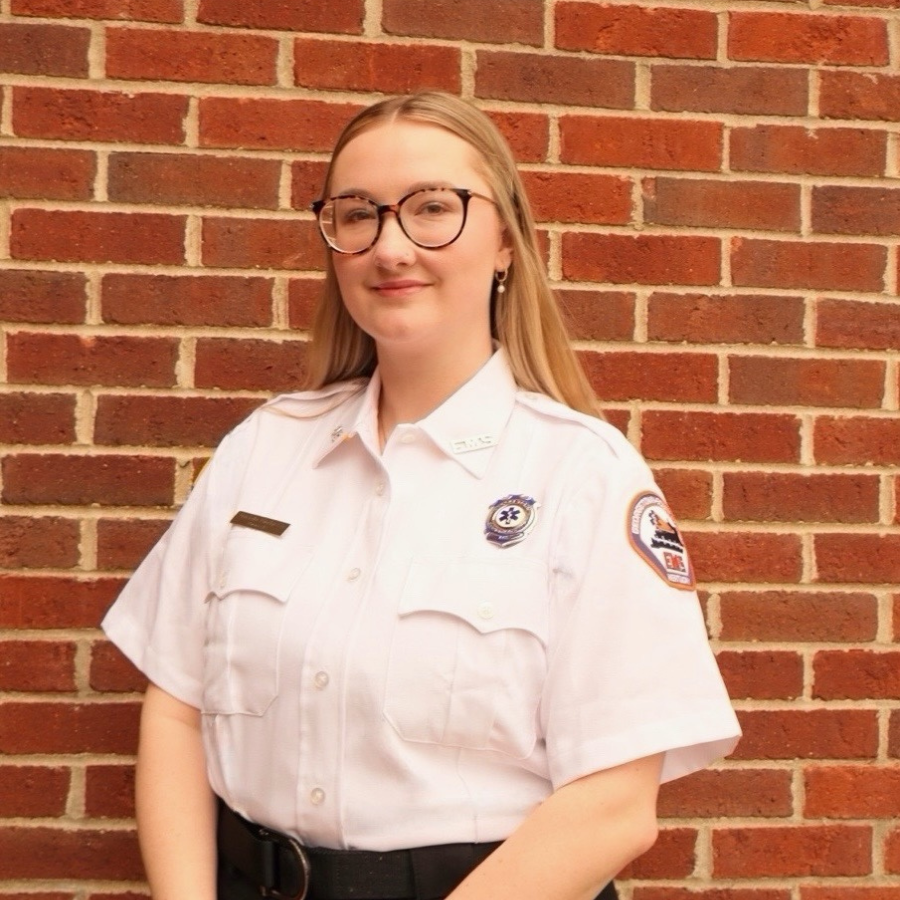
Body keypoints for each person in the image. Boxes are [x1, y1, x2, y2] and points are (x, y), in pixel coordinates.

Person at [102, 91, 741, 900]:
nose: (391, 246)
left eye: (433, 207)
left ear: (505, 242)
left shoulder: (584, 476)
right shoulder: (264, 448)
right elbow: (177, 708)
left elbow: (614, 806)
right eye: (357, 214)